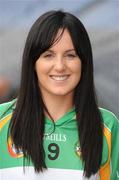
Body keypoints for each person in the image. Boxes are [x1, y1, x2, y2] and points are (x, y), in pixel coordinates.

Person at [0, 10, 119, 180]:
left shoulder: (107, 126)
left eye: (70, 55)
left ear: (83, 62)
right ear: (33, 63)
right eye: (48, 55)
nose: (60, 66)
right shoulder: (1, 120)